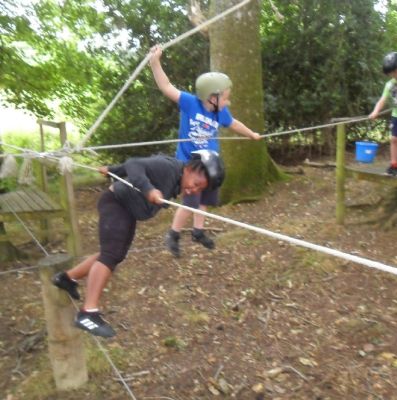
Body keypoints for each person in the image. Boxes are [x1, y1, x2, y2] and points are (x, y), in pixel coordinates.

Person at [52, 150, 225, 338]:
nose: (193, 190)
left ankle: (67, 278)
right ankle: (88, 313)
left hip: (127, 209)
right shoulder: (168, 168)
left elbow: (137, 165)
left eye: (199, 190)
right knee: (110, 255)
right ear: (191, 168)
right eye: (196, 184)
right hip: (116, 203)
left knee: (115, 255)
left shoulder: (176, 176)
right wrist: (149, 189)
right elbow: (134, 164)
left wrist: (113, 170)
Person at [149, 44, 261, 258]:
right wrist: (155, 62)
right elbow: (166, 86)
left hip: (210, 163)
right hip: (190, 164)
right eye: (225, 97)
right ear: (212, 97)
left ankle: (198, 232)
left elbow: (234, 124)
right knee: (190, 202)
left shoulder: (221, 112)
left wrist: (251, 134)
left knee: (205, 200)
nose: (228, 101)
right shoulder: (190, 103)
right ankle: (173, 234)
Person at [369, 51, 397, 176]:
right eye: (390, 73)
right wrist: (375, 111)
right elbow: (382, 100)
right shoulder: (390, 85)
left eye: (394, 71)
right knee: (394, 139)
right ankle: (394, 164)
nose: (392, 75)